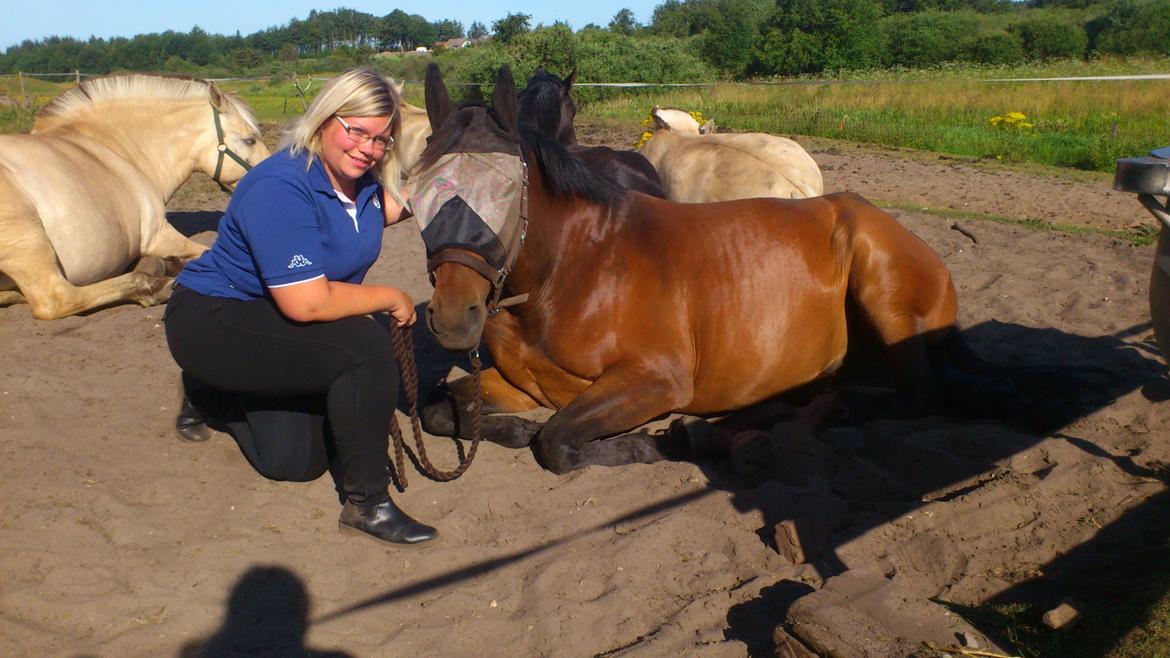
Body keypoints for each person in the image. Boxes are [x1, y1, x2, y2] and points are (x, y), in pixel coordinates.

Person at [164, 68, 438, 547]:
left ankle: (217, 398)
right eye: (356, 130)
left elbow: (389, 209)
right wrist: (391, 296)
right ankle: (368, 504)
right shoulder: (282, 186)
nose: (368, 148)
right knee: (366, 347)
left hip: (275, 322)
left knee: (296, 463)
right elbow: (308, 302)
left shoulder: (362, 183)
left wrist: (453, 184)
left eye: (382, 139)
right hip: (217, 317)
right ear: (325, 119)